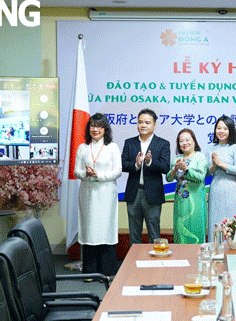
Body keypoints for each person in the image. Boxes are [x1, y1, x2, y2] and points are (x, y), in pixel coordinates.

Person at [74, 113, 122, 277]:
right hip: (88, 194)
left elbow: (117, 171)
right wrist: (86, 174)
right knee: (89, 230)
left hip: (106, 194)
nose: (96, 129)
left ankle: (107, 270)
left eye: (99, 126)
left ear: (105, 129)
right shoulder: (83, 147)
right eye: (93, 126)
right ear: (89, 128)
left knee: (105, 230)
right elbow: (76, 171)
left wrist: (98, 176)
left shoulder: (112, 147)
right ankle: (90, 272)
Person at [121, 108, 171, 245]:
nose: (143, 125)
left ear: (154, 125)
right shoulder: (129, 142)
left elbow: (166, 168)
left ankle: (154, 264)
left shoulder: (162, 143)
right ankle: (134, 264)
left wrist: (150, 163)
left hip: (153, 194)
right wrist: (136, 164)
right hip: (134, 192)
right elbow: (123, 164)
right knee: (134, 232)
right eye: (140, 122)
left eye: (147, 123)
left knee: (154, 232)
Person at [166, 129, 208, 244]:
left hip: (197, 200)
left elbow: (200, 177)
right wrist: (175, 169)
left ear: (194, 141)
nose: (184, 143)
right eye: (181, 141)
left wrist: (186, 169)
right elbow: (168, 178)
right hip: (181, 202)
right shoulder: (176, 159)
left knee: (196, 229)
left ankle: (198, 258)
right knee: (180, 231)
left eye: (187, 140)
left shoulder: (200, 157)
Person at [206, 116, 236, 240]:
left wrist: (221, 164)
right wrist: (213, 165)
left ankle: (232, 250)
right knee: (215, 221)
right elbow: (207, 173)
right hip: (216, 188)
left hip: (231, 188)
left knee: (231, 221)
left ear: (230, 131)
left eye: (225, 128)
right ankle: (215, 251)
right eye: (219, 128)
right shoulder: (211, 149)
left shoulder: (235, 148)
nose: (221, 131)